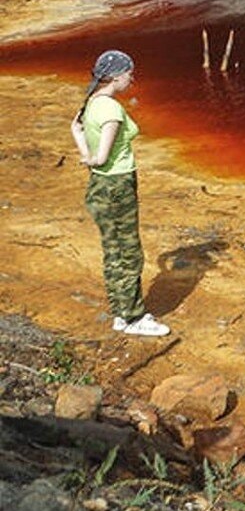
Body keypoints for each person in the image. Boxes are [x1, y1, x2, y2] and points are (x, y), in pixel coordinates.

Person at [69, 50, 170, 337]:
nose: (132, 78)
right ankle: (135, 318)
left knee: (112, 250)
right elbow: (102, 157)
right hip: (118, 185)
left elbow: (75, 128)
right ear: (115, 77)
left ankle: (121, 314)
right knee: (129, 253)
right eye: (129, 73)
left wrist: (86, 155)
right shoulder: (111, 109)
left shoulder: (92, 103)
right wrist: (91, 158)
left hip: (100, 186)